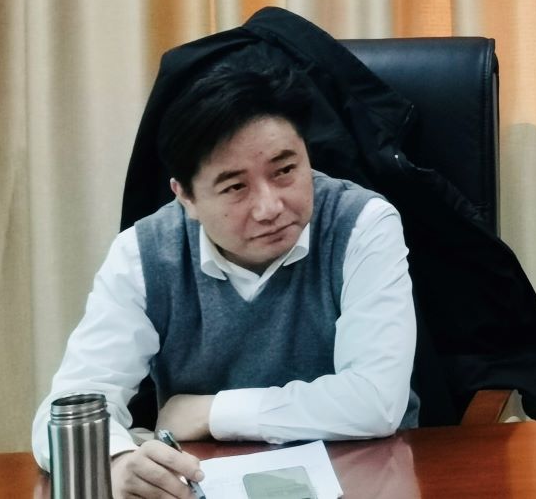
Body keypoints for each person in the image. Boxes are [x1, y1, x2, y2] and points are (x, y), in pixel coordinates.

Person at [31, 62, 418, 498]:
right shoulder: (143, 253)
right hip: (205, 483)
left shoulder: (362, 224)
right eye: (235, 187)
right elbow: (66, 409)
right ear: (186, 197)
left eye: (284, 170)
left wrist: (209, 412)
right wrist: (117, 462)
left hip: (369, 477)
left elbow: (376, 400)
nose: (270, 207)